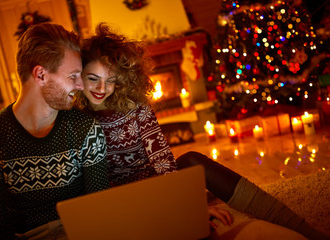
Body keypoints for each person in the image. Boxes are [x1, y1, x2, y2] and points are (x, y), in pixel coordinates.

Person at [74, 22, 328, 240]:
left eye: (111, 79)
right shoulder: (77, 120)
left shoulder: (136, 107)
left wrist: (186, 205)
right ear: (80, 76)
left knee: (192, 161)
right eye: (93, 78)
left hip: (156, 187)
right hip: (121, 202)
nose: (101, 88)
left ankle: (305, 230)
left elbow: (161, 158)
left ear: (123, 79)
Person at [0, 23, 110, 240]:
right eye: (73, 76)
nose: (81, 85)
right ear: (41, 75)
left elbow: (101, 214)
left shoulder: (86, 130)